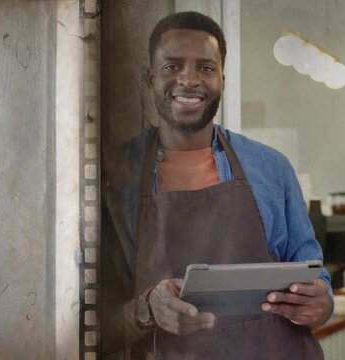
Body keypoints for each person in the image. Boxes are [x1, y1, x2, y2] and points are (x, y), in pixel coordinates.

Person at [101, 11, 332, 359]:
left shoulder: (271, 168)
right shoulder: (115, 178)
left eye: (205, 68)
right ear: (150, 79)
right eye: (172, 66)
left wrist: (320, 304)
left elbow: (317, 283)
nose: (189, 80)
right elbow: (94, 326)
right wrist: (147, 308)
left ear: (222, 80)